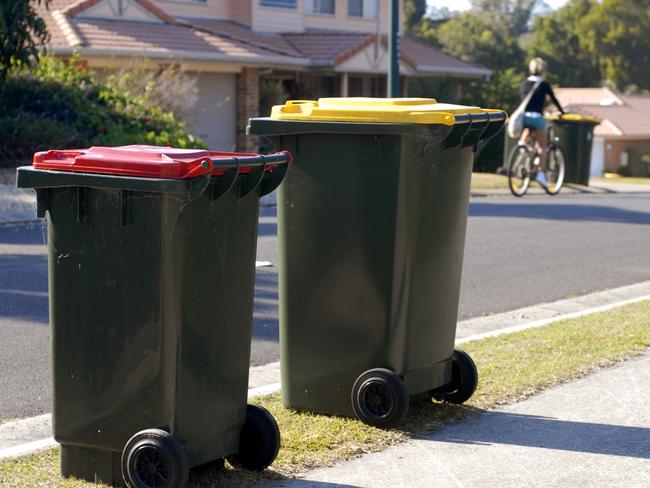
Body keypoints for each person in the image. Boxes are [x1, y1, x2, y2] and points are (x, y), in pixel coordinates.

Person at [520, 57, 564, 187]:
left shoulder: (524, 84)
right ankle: (540, 174)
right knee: (543, 148)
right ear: (543, 70)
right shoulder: (543, 85)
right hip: (536, 117)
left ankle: (522, 150)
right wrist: (562, 111)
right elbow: (553, 99)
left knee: (526, 136)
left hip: (524, 117)